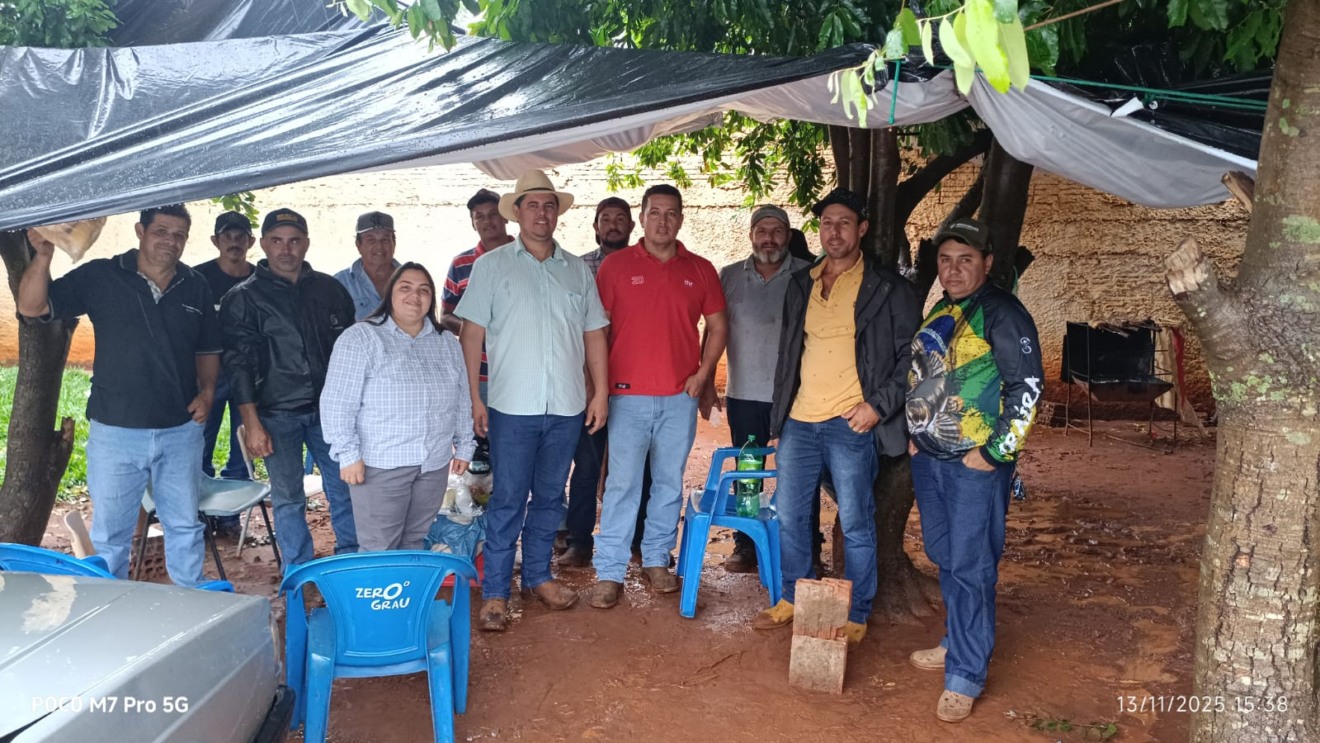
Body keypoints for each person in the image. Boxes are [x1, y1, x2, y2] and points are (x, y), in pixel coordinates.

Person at [17, 205, 218, 587]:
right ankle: (108, 615)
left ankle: (189, 610)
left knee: (184, 528)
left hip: (180, 430)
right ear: (140, 231)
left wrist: (207, 392)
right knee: (110, 537)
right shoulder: (102, 276)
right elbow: (32, 306)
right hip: (116, 433)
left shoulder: (195, 285)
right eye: (161, 231)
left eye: (179, 235)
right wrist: (44, 255)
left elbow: (208, 349)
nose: (170, 241)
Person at [756, 187, 919, 644]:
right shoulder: (801, 284)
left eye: (845, 223)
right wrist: (779, 420)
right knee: (789, 515)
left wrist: (877, 406)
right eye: (827, 223)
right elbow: (790, 356)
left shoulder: (888, 289)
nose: (835, 231)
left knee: (857, 519)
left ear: (862, 229)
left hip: (852, 423)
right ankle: (793, 595)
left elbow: (912, 357)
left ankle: (858, 611)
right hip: (800, 423)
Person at [454, 170, 609, 632]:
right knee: (506, 499)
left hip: (565, 406)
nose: (542, 213)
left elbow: (594, 333)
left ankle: (538, 576)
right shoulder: (492, 266)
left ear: (556, 213)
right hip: (510, 407)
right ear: (517, 213)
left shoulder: (577, 269)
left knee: (548, 497)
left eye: (549, 205)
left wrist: (599, 392)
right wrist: (473, 399)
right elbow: (471, 333)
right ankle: (497, 591)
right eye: (533, 205)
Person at [905, 218, 1043, 723]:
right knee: (945, 554)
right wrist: (915, 436)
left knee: (971, 564)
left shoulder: (1002, 312)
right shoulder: (945, 308)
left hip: (974, 465)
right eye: (946, 260)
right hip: (933, 459)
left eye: (966, 259)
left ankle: (965, 673)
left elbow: (1027, 388)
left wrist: (995, 454)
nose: (954, 268)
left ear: (987, 263)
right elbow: (927, 374)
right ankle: (956, 638)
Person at [590, 184, 728, 609]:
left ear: (681, 219)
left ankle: (655, 560)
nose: (662, 221)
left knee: (668, 483)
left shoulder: (701, 269)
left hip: (678, 397)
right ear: (643, 217)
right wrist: (600, 388)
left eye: (671, 213)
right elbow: (598, 331)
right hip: (626, 397)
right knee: (622, 486)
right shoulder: (614, 267)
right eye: (654, 212)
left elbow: (718, 326)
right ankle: (610, 571)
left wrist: (703, 374)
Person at [221, 208, 359, 566]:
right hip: (275, 416)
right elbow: (238, 366)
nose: (286, 249)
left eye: (294, 241)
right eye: (277, 241)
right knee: (288, 497)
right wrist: (251, 423)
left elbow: (350, 353)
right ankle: (297, 571)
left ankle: (351, 563)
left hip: (330, 414)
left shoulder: (329, 290)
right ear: (263, 244)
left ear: (306, 244)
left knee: (345, 489)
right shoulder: (245, 298)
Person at [321, 262, 476, 551]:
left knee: (415, 541)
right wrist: (348, 454)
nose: (414, 296)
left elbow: (461, 398)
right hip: (381, 463)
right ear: (390, 293)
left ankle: (408, 597)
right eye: (405, 288)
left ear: (432, 299)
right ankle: (375, 597)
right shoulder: (361, 338)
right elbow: (337, 403)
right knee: (379, 547)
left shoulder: (445, 342)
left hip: (433, 464)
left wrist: (465, 444)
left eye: (423, 290)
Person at [703, 205, 810, 573]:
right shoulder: (729, 276)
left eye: (777, 231)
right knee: (748, 470)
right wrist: (705, 381)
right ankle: (745, 545)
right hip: (745, 394)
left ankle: (804, 544)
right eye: (762, 231)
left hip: (797, 397)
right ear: (750, 235)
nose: (769, 238)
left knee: (799, 471)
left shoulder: (807, 275)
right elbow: (713, 330)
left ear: (788, 234)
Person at [559, 197, 638, 568]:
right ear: (595, 226)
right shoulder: (576, 270)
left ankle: (636, 539)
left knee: (635, 464)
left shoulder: (643, 267)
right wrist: (591, 383)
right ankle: (580, 541)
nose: (613, 225)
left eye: (620, 219)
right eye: (605, 219)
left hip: (635, 381)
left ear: (631, 226)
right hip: (587, 382)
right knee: (587, 463)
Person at [195, 211, 256, 488]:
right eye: (227, 237)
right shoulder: (197, 279)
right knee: (200, 440)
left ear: (251, 241)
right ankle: (202, 513)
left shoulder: (260, 281)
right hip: (209, 373)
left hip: (249, 374)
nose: (234, 243)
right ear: (215, 240)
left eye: (240, 237)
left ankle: (231, 519)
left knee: (244, 443)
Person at [440, 188, 517, 393]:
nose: (487, 221)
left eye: (493, 214)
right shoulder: (460, 264)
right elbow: (446, 316)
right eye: (479, 217)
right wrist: (477, 330)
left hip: (523, 372)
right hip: (478, 375)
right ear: (473, 223)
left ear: (506, 218)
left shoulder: (527, 258)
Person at [335, 211, 402, 321]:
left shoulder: (410, 280)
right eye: (371, 240)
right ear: (358, 245)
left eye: (385, 240)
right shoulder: (340, 283)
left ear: (394, 243)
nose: (379, 246)